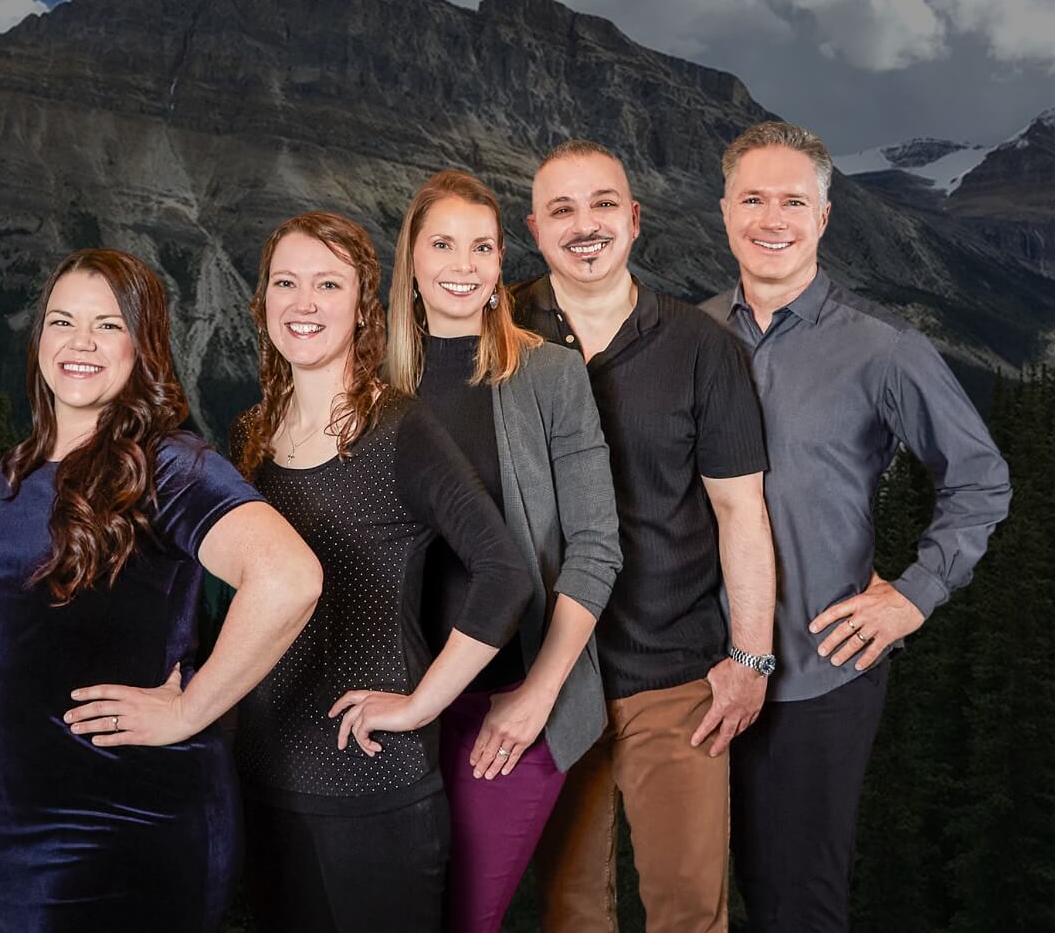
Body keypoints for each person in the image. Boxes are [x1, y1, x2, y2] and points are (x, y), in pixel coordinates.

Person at [703, 120, 1011, 933]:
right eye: (755, 199)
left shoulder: (884, 350)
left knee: (796, 904)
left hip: (817, 675)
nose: (773, 220)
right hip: (691, 672)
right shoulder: (687, 338)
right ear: (725, 210)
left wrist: (915, 594)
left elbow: (981, 479)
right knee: (691, 900)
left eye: (793, 202)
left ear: (825, 217)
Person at [0, 248, 323, 932]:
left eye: (108, 325)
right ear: (38, 338)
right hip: (20, 818)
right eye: (62, 322)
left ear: (143, 345)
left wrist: (190, 711)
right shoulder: (18, 467)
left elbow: (290, 577)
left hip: (135, 817)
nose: (80, 344)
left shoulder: (168, 464)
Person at [228, 210, 533, 932]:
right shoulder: (252, 434)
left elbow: (504, 573)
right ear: (263, 301)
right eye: (286, 283)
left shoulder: (401, 428)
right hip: (264, 779)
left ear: (362, 307)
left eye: (328, 285)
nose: (304, 303)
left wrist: (422, 704)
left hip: (373, 786)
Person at [517, 141, 776, 933]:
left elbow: (741, 514)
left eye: (602, 205)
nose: (584, 224)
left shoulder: (705, 351)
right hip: (544, 684)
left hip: (674, 679)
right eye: (562, 209)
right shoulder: (498, 334)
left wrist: (750, 658)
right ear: (534, 229)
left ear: (633, 220)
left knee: (690, 911)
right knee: (568, 912)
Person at [383, 170, 622, 933]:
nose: (463, 263)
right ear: (411, 262)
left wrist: (539, 696)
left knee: (467, 916)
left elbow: (596, 549)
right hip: (400, 703)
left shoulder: (549, 373)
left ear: (498, 264)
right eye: (443, 244)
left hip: (514, 705)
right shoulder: (373, 384)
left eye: (482, 246)